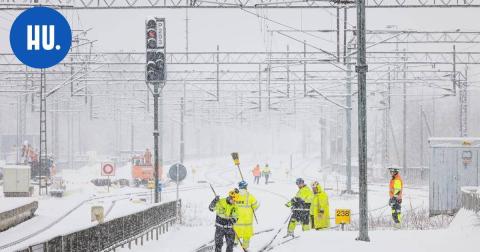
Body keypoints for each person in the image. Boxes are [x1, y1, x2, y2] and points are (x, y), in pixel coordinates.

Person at [233, 181, 259, 250]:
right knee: (246, 235)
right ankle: (245, 247)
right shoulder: (250, 196)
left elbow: (230, 205)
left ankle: (234, 243)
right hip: (247, 221)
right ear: (245, 187)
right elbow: (255, 207)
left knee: (235, 232)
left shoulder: (234, 195)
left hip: (236, 220)